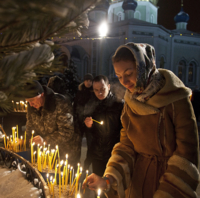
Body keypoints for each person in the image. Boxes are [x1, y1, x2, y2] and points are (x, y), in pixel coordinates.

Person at [83, 43, 199, 198]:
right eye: (118, 76)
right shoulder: (131, 102)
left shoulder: (176, 99)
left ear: (144, 66)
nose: (124, 81)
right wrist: (108, 180)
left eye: (129, 73)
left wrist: (168, 192)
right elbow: (126, 146)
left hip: (166, 183)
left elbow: (187, 155)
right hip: (136, 184)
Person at [25, 80, 80, 167]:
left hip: (65, 153)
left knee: (62, 180)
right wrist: (25, 142)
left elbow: (66, 132)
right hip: (47, 154)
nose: (30, 104)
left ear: (42, 94)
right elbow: (30, 127)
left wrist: (45, 140)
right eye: (27, 101)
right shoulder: (32, 106)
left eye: (32, 100)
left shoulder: (60, 103)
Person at [84, 75, 124, 177]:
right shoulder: (91, 105)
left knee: (111, 186)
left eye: (102, 89)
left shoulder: (119, 105)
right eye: (96, 90)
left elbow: (124, 130)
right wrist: (88, 125)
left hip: (113, 154)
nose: (99, 93)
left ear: (109, 86)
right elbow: (91, 135)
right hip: (97, 155)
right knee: (97, 187)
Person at [73, 73, 94, 170]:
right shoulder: (80, 92)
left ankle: (87, 164)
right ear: (84, 81)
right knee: (77, 143)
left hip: (90, 122)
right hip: (80, 121)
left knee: (90, 144)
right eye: (86, 80)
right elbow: (75, 105)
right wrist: (75, 118)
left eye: (90, 81)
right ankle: (76, 163)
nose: (88, 82)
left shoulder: (94, 92)